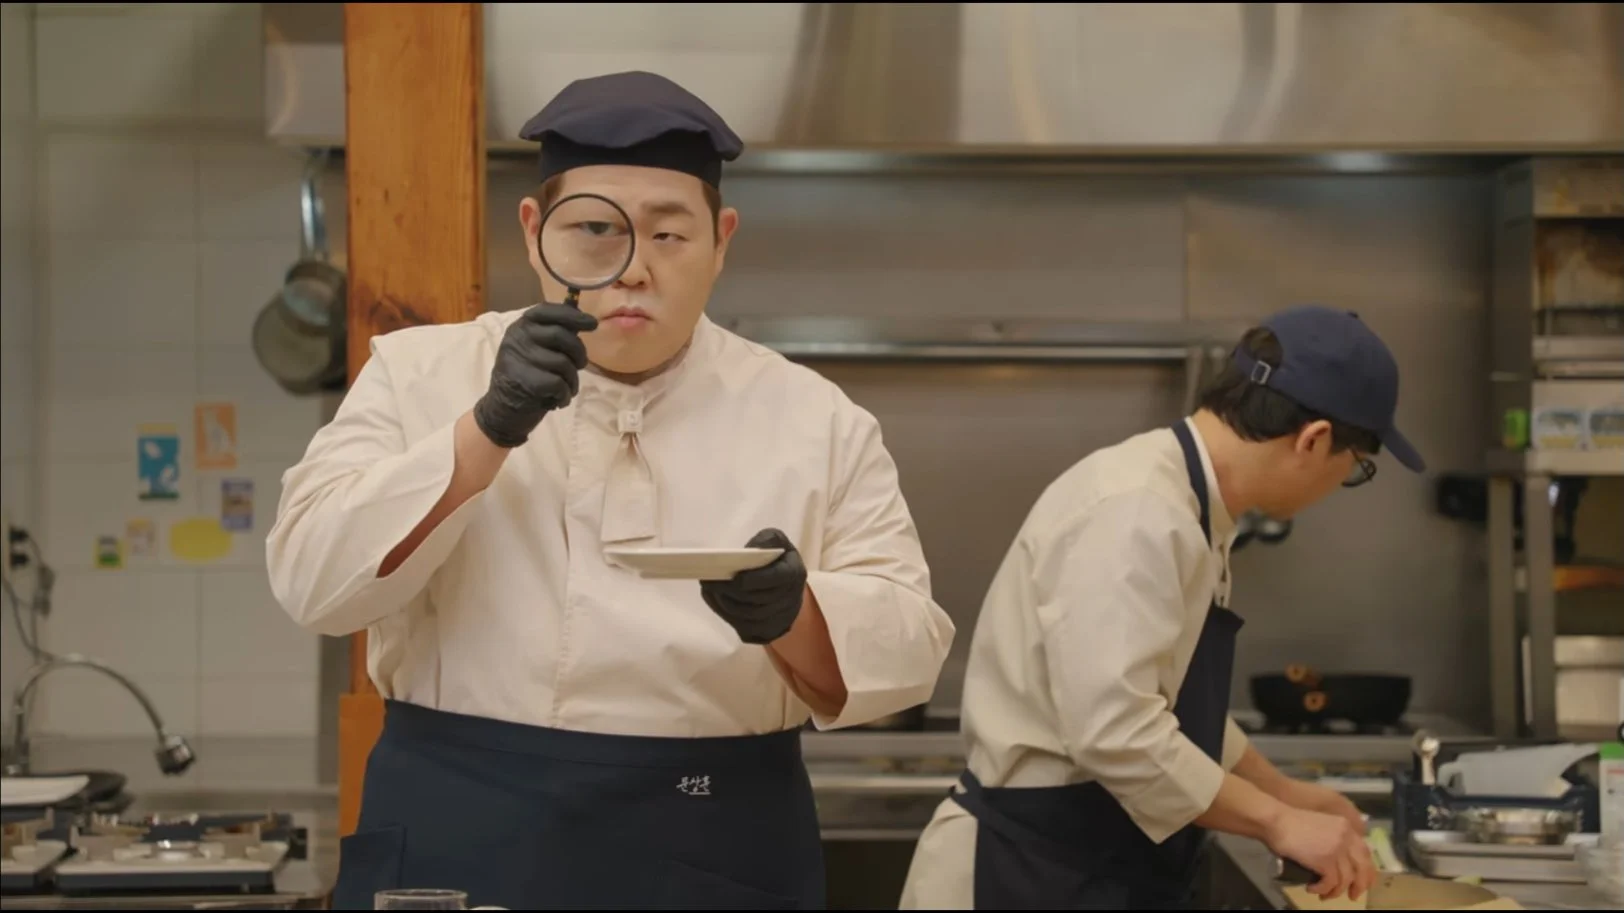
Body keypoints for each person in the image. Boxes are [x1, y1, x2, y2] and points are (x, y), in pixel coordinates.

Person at [267, 70, 955, 911]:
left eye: (669, 234)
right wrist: (485, 429)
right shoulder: (418, 375)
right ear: (534, 232)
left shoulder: (816, 420)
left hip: (715, 836)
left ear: (722, 241)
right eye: (596, 230)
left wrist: (796, 613)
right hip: (457, 828)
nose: (634, 270)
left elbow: (911, 645)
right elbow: (311, 581)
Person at [900, 306, 1425, 910]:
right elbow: (1118, 731)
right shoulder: (1140, 509)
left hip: (1084, 867)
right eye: (1355, 470)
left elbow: (1170, 703)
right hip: (1027, 870)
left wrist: (1283, 792)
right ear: (1314, 440)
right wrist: (1276, 821)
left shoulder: (1193, 507)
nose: (1338, 487)